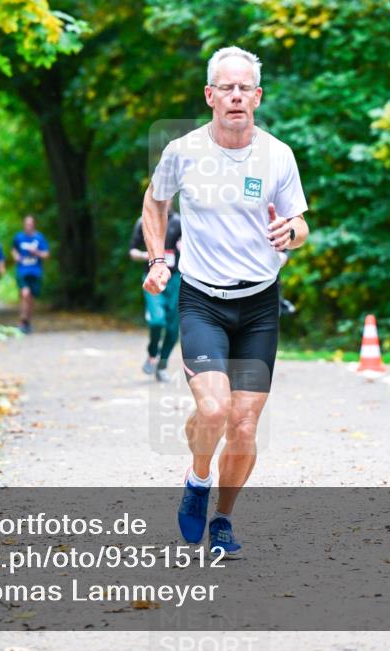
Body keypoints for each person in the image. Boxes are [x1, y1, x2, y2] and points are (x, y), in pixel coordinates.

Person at [142, 46, 310, 557]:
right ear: (209, 95)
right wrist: (158, 259)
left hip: (258, 306)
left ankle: (224, 519)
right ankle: (198, 481)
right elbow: (155, 201)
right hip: (202, 301)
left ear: (257, 97)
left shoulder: (278, 155)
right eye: (226, 87)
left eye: (244, 88)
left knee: (243, 423)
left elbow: (300, 223)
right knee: (214, 409)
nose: (235, 96)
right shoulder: (183, 151)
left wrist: (291, 233)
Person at [129, 207, 182, 382]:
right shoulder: (144, 221)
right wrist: (148, 255)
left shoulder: (180, 222)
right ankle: (152, 354)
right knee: (157, 320)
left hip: (175, 279)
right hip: (152, 277)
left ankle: (162, 364)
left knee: (173, 328)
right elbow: (132, 251)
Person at [11, 215, 50, 334]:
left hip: (36, 272)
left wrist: (36, 252)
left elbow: (46, 255)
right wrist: (16, 256)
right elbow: (13, 249)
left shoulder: (39, 238)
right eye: (26, 224)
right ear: (23, 225)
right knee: (25, 294)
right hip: (22, 271)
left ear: (34, 225)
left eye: (30, 224)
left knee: (31, 298)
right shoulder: (18, 237)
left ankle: (27, 321)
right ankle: (22, 321)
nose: (28, 226)